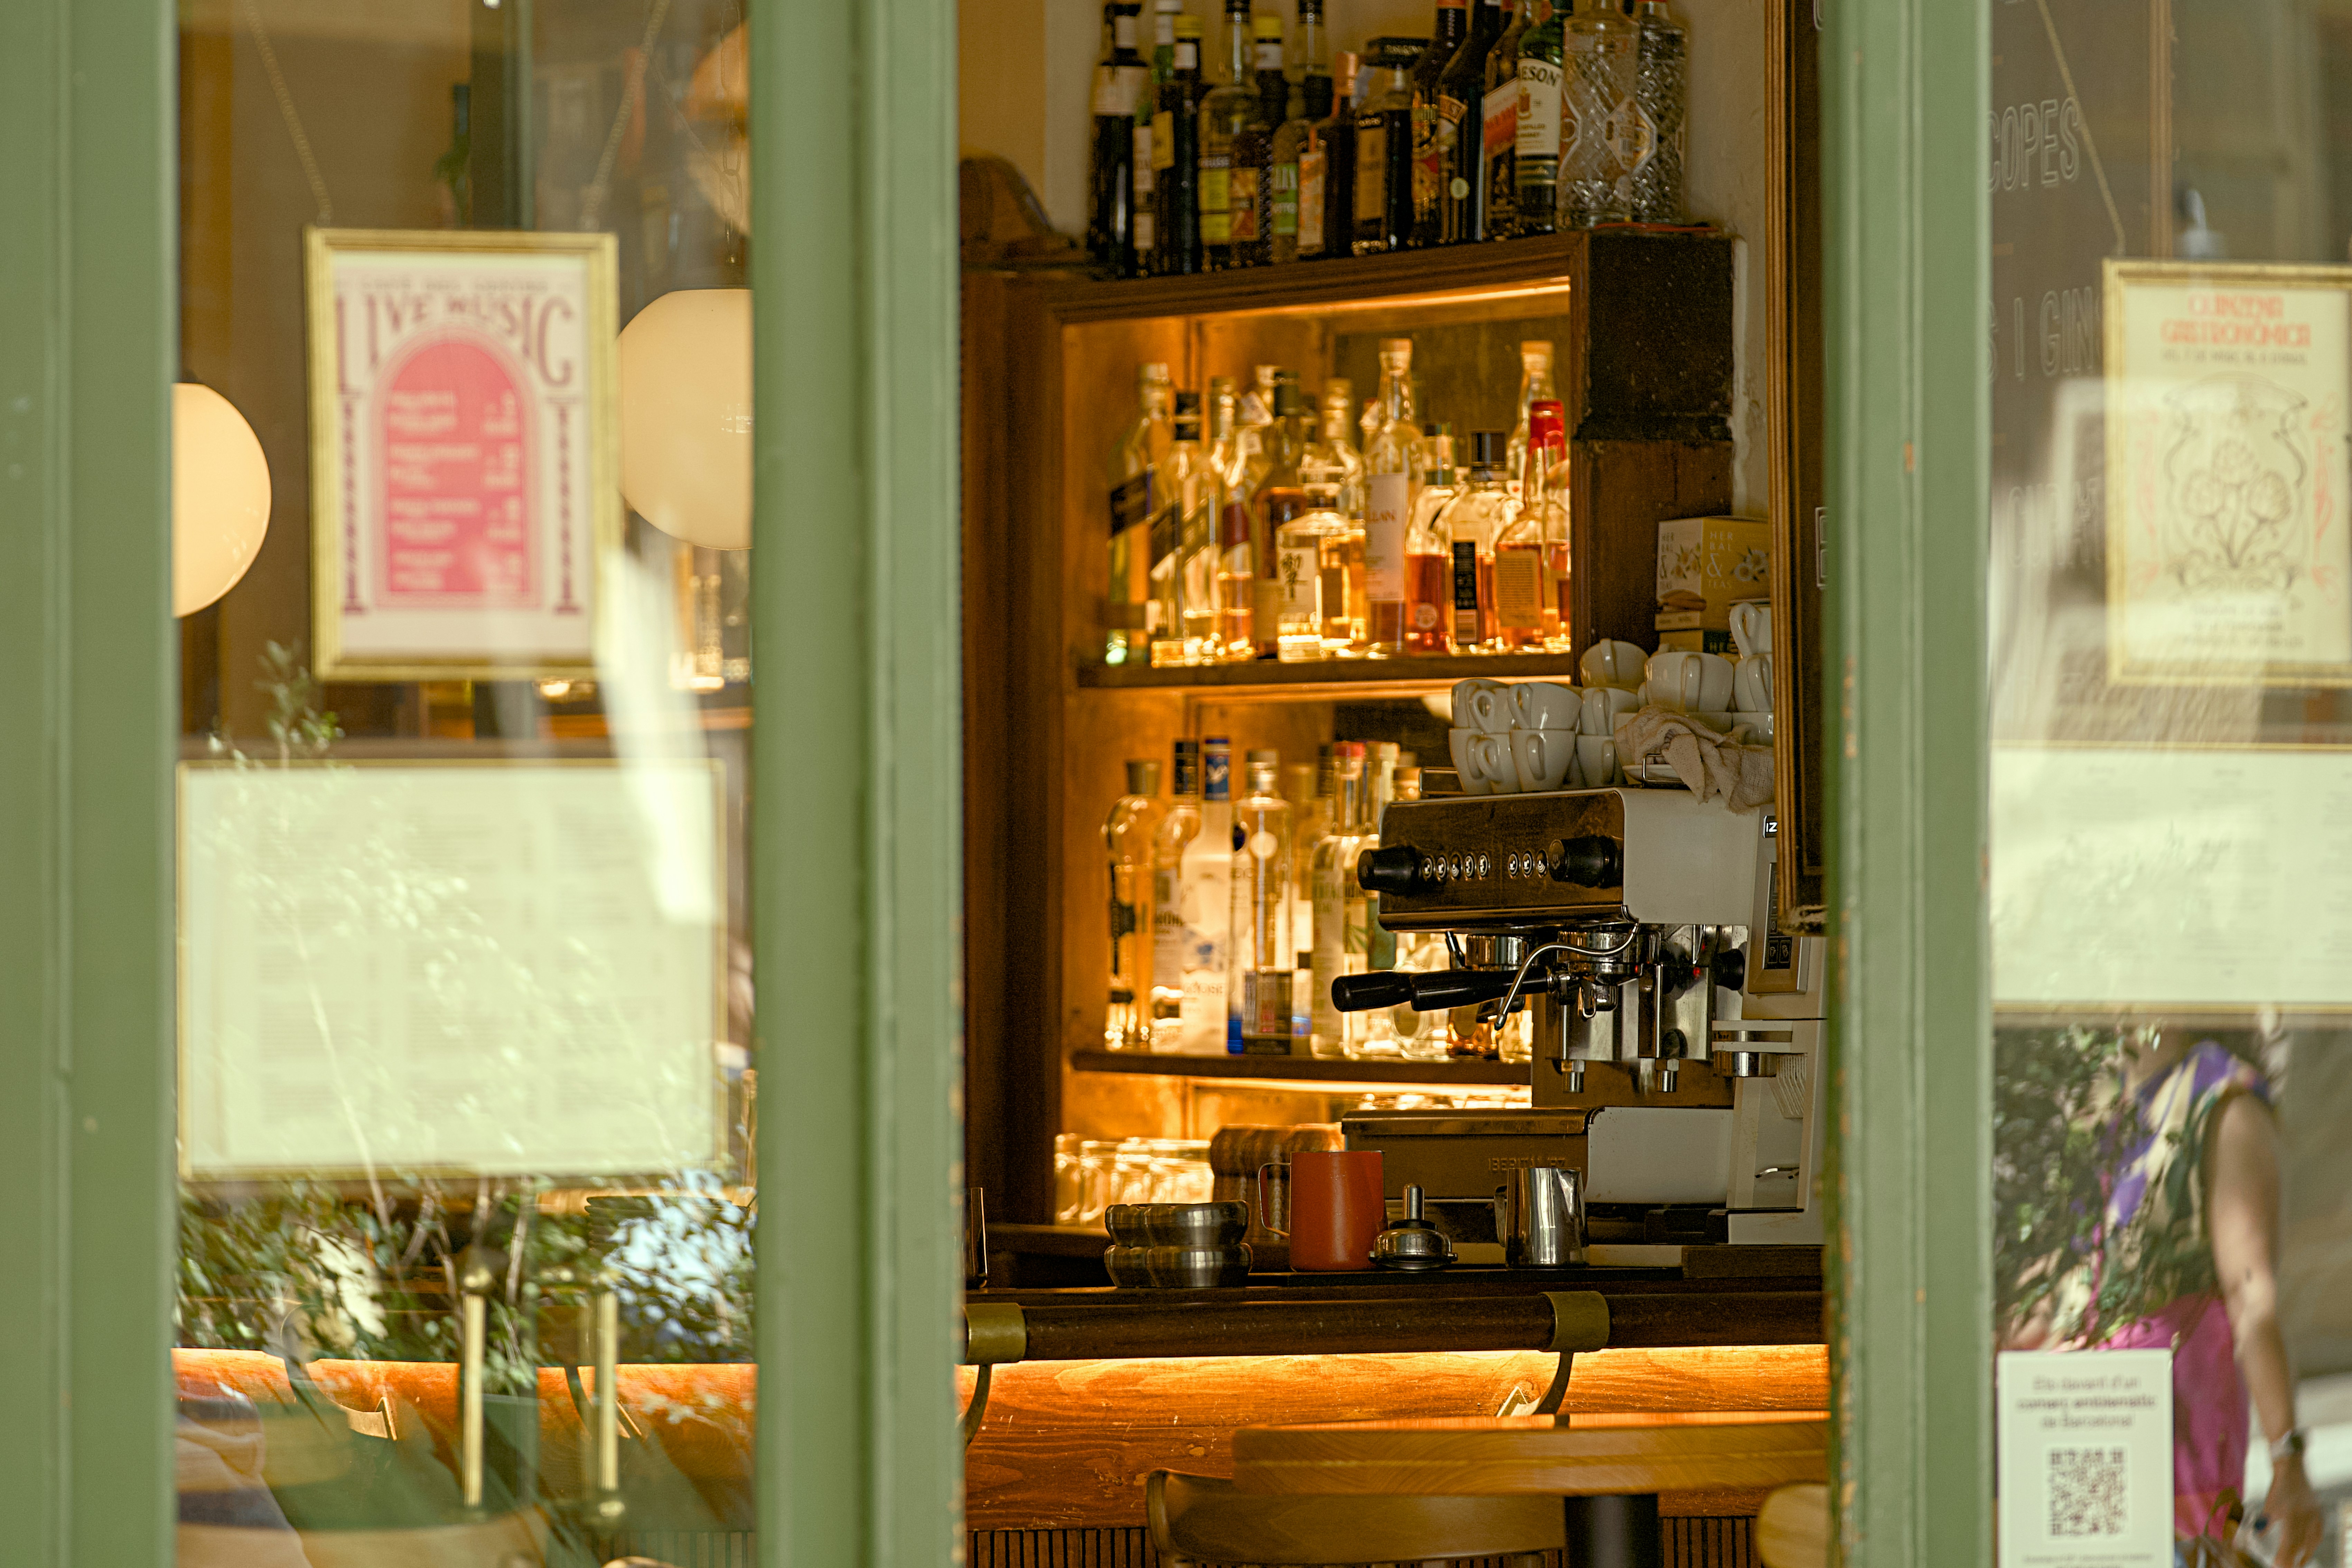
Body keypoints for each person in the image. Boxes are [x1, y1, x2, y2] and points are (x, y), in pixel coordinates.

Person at [2008, 1028, 2321, 1566]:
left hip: (2167, 1487)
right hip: (2075, 1466)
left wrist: (2286, 1458)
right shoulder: (2102, 1109)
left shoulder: (2221, 1104)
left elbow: (2252, 1300)